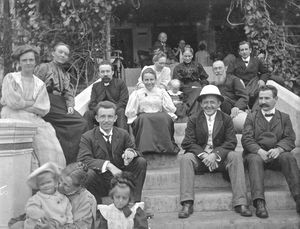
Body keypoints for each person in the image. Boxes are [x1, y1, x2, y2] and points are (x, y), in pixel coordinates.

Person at [178, 85, 252, 219]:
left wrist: (215, 154)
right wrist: (204, 155)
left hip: (220, 160)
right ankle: (187, 203)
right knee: (186, 158)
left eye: (212, 102)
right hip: (200, 160)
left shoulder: (226, 119)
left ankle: (241, 202)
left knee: (235, 156)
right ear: (200, 104)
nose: (209, 105)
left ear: (219, 103)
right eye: (205, 102)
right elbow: (187, 142)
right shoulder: (194, 119)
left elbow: (231, 142)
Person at [0, 45, 66, 169]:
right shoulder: (10, 78)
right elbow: (12, 102)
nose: (28, 63)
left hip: (33, 118)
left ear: (35, 61)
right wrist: (30, 103)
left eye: (31, 60)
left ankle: (48, 177)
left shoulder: (39, 84)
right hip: (12, 115)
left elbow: (43, 108)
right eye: (24, 60)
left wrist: (23, 104)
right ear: (19, 62)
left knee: (50, 142)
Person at [242, 85, 300, 218]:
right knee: (254, 159)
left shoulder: (284, 117)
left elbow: (290, 138)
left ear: (276, 99)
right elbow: (246, 139)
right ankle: (259, 202)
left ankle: (298, 197)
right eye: (261, 98)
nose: (263, 102)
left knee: (288, 157)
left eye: (267, 98)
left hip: (276, 156)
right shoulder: (251, 116)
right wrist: (259, 150)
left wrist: (279, 149)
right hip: (256, 155)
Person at [77, 101, 147, 204]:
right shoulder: (87, 137)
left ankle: (133, 202)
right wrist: (108, 165)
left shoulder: (123, 134)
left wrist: (131, 152)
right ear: (97, 118)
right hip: (101, 183)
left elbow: (136, 151)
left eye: (110, 117)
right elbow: (83, 159)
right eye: (103, 117)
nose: (106, 120)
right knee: (87, 173)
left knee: (140, 162)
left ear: (115, 118)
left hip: (122, 180)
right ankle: (97, 207)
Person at [34, 42, 88, 164]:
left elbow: (68, 92)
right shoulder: (44, 67)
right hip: (46, 101)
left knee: (82, 123)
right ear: (53, 53)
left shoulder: (64, 73)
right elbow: (35, 86)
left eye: (66, 54)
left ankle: (73, 159)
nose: (63, 55)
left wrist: (70, 105)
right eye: (60, 52)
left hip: (60, 103)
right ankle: (70, 160)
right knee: (78, 124)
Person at [9, 162, 97, 229]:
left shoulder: (86, 200)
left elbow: (79, 227)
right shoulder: (54, 189)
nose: (60, 186)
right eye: (60, 180)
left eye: (66, 185)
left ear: (80, 186)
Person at [125, 68, 179, 155]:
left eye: (151, 79)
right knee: (143, 119)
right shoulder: (137, 94)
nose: (149, 82)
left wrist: (170, 116)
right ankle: (146, 148)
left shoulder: (161, 92)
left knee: (165, 118)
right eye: (146, 80)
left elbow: (170, 109)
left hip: (159, 116)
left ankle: (165, 147)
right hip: (144, 117)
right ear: (142, 80)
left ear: (155, 80)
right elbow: (131, 112)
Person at [24, 162, 73, 229]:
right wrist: (39, 214)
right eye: (42, 184)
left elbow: (68, 211)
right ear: (38, 186)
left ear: (55, 182)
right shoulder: (37, 198)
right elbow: (30, 208)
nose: (46, 186)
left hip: (60, 225)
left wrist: (69, 222)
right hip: (43, 224)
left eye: (48, 182)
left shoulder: (63, 198)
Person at [83, 61, 128, 131]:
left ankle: (123, 139)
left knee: (121, 111)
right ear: (99, 74)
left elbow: (123, 101)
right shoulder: (96, 86)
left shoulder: (120, 83)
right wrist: (100, 110)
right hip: (100, 113)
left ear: (112, 72)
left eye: (108, 71)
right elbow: (92, 103)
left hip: (116, 112)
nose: (105, 74)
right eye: (102, 72)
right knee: (88, 114)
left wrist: (111, 110)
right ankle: (87, 139)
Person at [226, 41, 269, 110]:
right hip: (240, 89)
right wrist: (237, 80)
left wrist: (262, 80)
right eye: (242, 50)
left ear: (250, 50)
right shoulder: (234, 62)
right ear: (239, 52)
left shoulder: (256, 61)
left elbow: (265, 72)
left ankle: (255, 113)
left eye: (246, 49)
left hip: (253, 87)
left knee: (262, 93)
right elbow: (229, 75)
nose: (244, 52)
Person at [211, 60, 249, 132]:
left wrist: (237, 107)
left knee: (222, 99)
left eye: (220, 68)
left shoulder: (234, 80)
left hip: (233, 110)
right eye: (215, 69)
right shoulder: (212, 85)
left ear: (225, 69)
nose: (218, 71)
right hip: (218, 110)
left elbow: (244, 97)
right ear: (213, 71)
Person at [173, 47, 209, 117]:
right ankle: (194, 114)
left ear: (192, 56)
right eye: (185, 56)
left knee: (198, 90)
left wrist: (203, 85)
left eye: (189, 56)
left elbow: (203, 77)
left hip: (197, 85)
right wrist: (182, 86)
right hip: (184, 86)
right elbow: (176, 81)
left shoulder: (198, 65)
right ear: (182, 56)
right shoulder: (178, 67)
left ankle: (194, 114)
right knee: (195, 91)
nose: (187, 58)